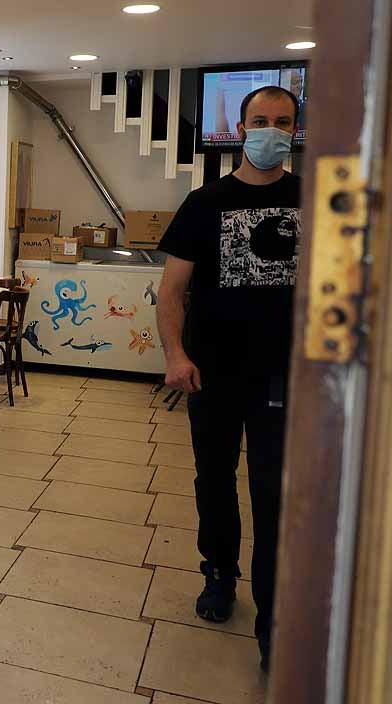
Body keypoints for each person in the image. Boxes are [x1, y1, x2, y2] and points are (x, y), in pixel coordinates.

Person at [156, 85, 302, 672]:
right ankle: (219, 573)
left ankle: (273, 614)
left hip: (285, 377)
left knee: (273, 494)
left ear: (295, 129)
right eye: (260, 120)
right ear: (241, 128)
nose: (270, 130)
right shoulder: (205, 202)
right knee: (214, 478)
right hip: (211, 372)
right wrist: (175, 354)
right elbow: (171, 292)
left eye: (282, 121)